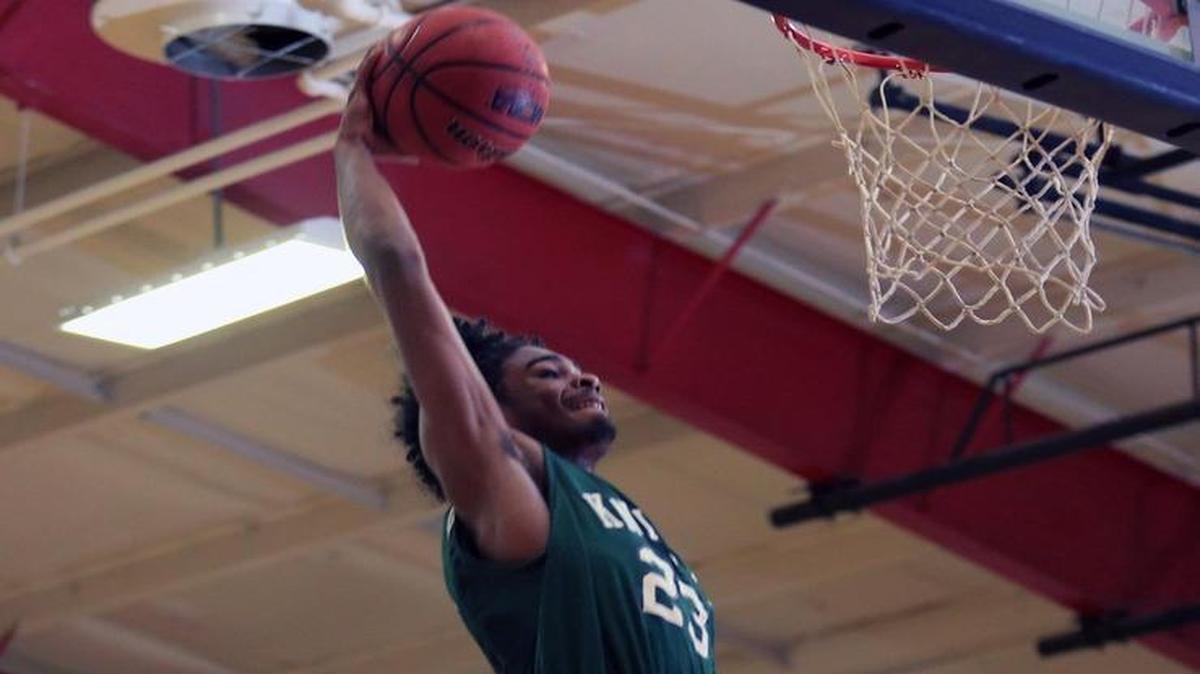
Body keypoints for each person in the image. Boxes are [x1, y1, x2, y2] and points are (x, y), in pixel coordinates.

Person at [334, 48, 716, 674]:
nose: (585, 376)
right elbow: (398, 267)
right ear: (494, 407)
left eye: (569, 368)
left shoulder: (614, 519)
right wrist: (352, 153)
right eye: (547, 373)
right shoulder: (502, 489)